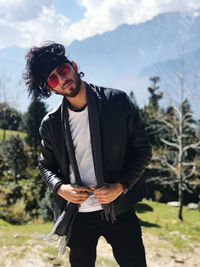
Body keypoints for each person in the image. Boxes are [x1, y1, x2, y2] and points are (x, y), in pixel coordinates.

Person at [23, 41, 152, 267]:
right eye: (53, 79)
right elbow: (45, 165)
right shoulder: (51, 124)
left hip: (119, 208)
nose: (62, 80)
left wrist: (121, 186)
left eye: (63, 71)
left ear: (73, 65)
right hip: (78, 215)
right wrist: (61, 188)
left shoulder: (117, 102)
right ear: (51, 89)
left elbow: (142, 150)